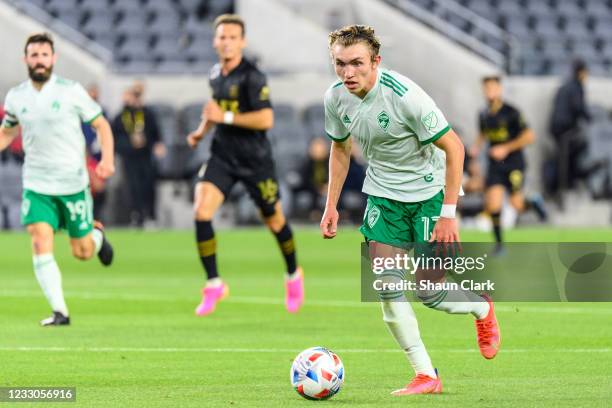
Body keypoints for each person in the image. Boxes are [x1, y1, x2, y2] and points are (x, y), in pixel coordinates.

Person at [319, 25, 500, 395]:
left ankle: (481, 309)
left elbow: (455, 148)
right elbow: (339, 149)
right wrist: (331, 205)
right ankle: (425, 374)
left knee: (429, 291)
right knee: (386, 285)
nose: (348, 72)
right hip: (384, 196)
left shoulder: (405, 96)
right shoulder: (336, 98)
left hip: (430, 193)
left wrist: (448, 212)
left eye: (356, 63)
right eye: (340, 64)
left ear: (376, 62)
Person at [186, 14, 304, 316]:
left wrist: (223, 118)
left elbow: (266, 119)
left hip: (255, 160)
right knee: (201, 210)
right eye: (222, 37)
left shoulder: (253, 76)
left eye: (232, 37)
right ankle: (213, 283)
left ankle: (293, 275)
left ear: (242, 42)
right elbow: (215, 111)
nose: (226, 42)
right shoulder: (215, 74)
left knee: (274, 220)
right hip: (223, 155)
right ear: (215, 41)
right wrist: (200, 132)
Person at [0, 33, 115, 326]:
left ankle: (96, 236)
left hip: (72, 184)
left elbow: (101, 125)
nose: (39, 61)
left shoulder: (71, 91)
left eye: (44, 55)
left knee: (82, 252)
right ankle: (60, 311)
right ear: (25, 59)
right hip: (37, 185)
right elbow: (8, 131)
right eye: (34, 55)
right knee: (39, 240)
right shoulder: (16, 97)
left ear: (54, 59)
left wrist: (107, 160)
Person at [470, 76, 547, 253]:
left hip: (513, 163)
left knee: (516, 205)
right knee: (493, 205)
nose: (489, 92)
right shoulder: (483, 114)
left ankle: (533, 203)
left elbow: (530, 136)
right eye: (486, 88)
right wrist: (475, 148)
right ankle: (499, 245)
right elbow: (483, 135)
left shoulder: (512, 112)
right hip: (495, 165)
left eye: (492, 88)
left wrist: (505, 148)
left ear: (499, 90)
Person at [112, 82, 165, 227]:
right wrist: (129, 144)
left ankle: (151, 216)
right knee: (132, 187)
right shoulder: (121, 117)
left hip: (145, 156)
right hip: (129, 157)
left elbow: (156, 133)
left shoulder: (147, 113)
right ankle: (136, 216)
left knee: (148, 185)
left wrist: (157, 144)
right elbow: (115, 138)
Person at [550, 60, 591, 188]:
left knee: (564, 157)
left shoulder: (565, 86)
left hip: (555, 128)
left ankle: (565, 184)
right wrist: (591, 118)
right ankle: (568, 184)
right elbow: (579, 108)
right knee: (574, 152)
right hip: (565, 129)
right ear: (581, 73)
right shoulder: (576, 87)